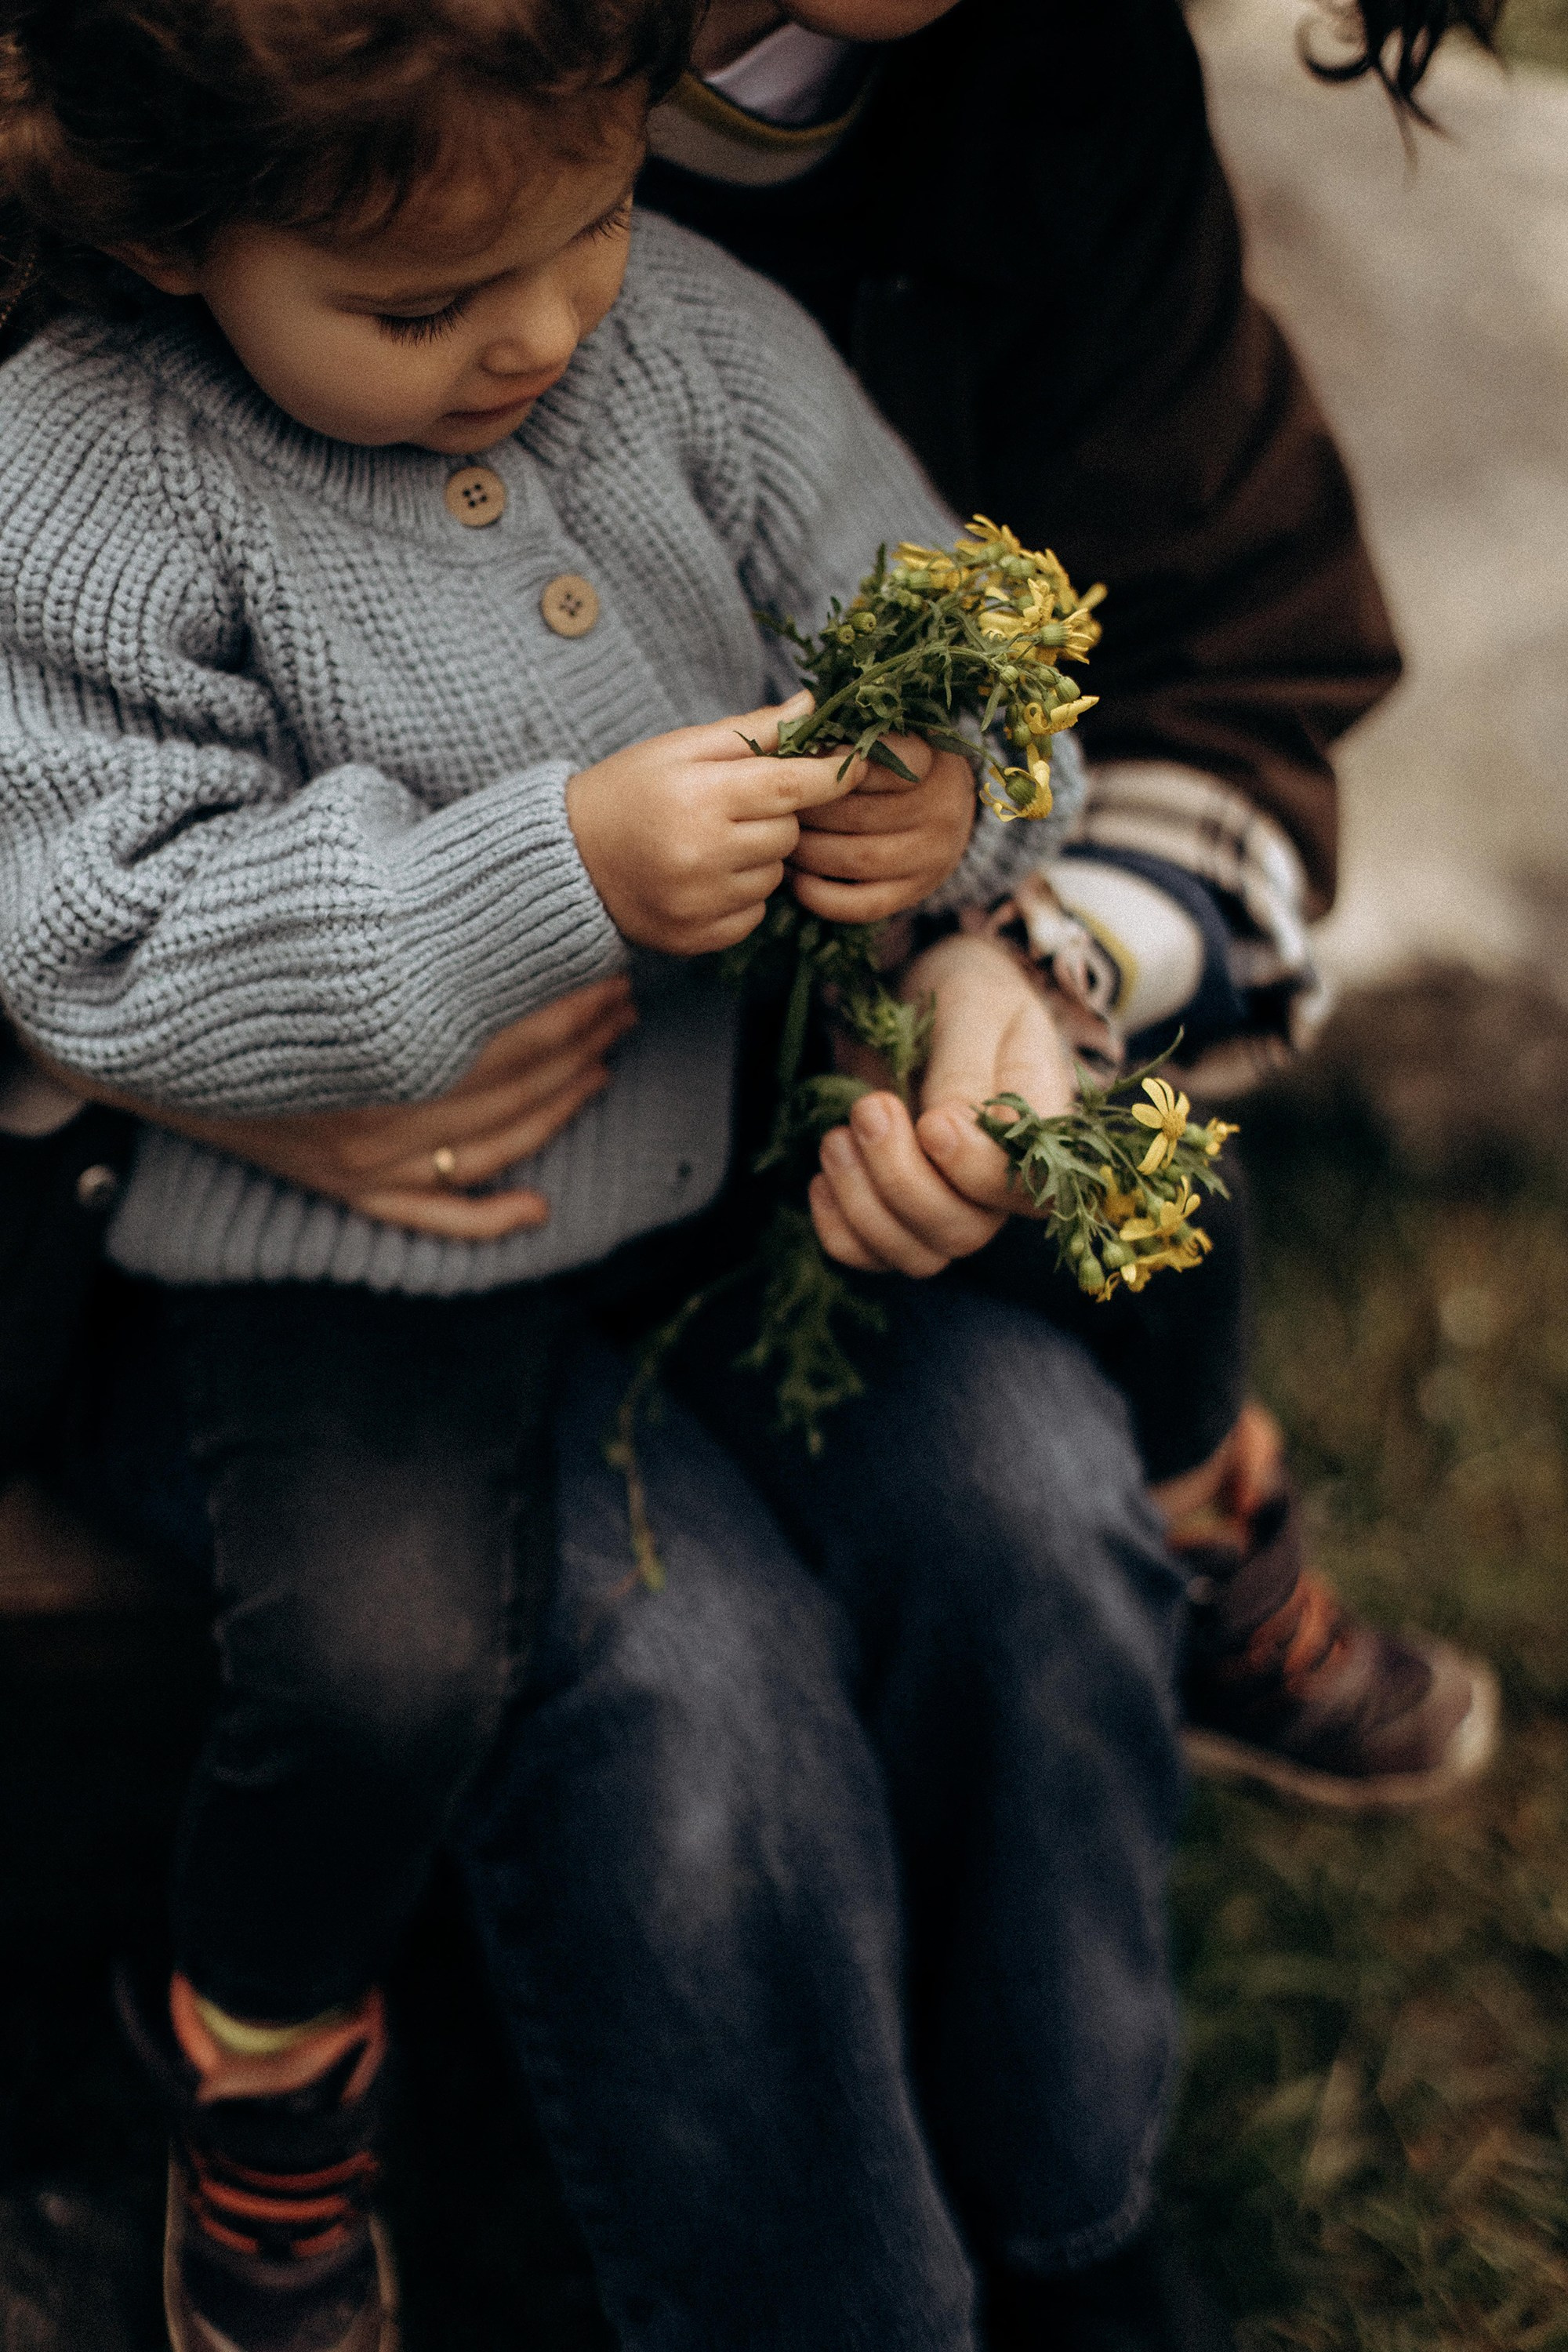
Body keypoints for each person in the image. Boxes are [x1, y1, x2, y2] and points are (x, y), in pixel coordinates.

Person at [0, 3, 1089, 2344]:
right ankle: (254, 2066)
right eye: (415, 309)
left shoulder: (688, 335)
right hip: (342, 1254)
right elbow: (87, 943)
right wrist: (553, 866)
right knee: (381, 1664)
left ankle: (1049, 2175)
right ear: (176, 241)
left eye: (592, 221)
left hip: (712, 1194)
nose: (537, 329)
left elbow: (948, 613)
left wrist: (950, 798)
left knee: (1039, 1447)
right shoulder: (80, 480)